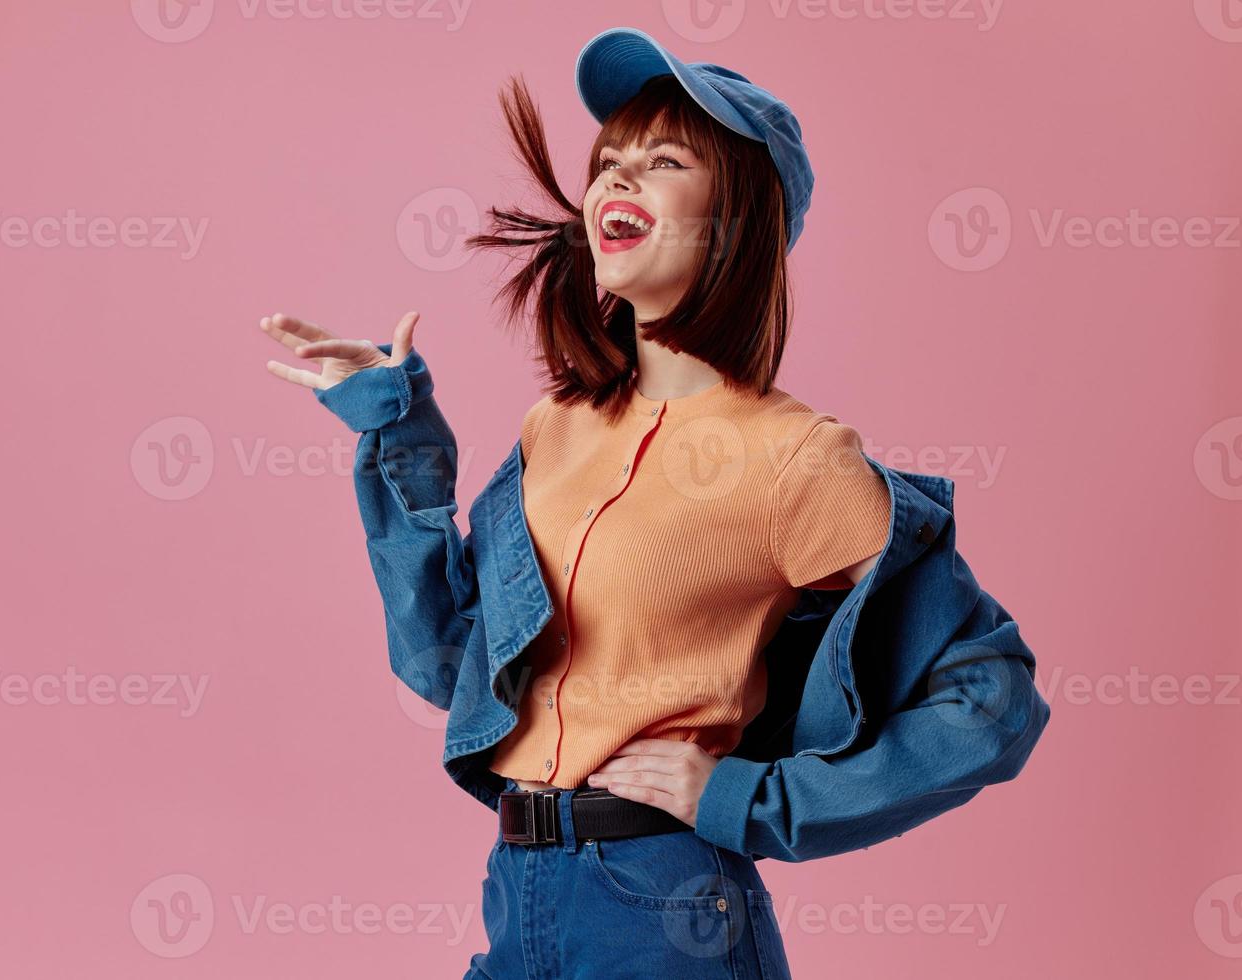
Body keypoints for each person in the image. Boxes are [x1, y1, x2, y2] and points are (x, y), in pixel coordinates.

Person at [259, 26, 1048, 979]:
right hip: (519, 891)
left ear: (734, 220)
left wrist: (747, 800)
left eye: (664, 160)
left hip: (666, 905)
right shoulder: (555, 429)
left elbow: (993, 699)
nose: (616, 183)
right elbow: (449, 670)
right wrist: (397, 436)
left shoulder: (797, 460)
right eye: (608, 162)